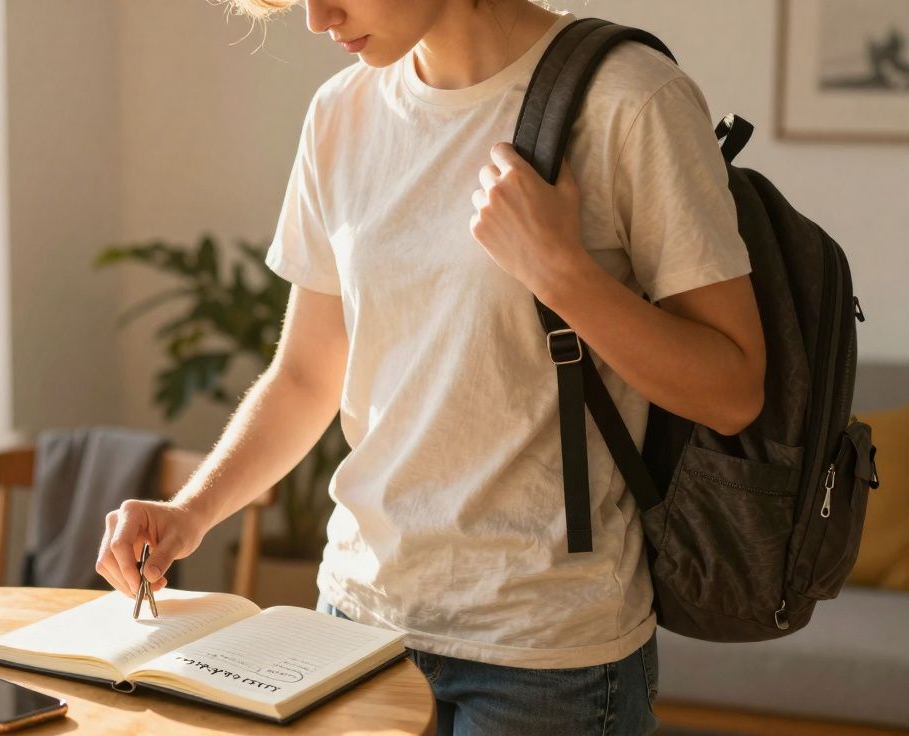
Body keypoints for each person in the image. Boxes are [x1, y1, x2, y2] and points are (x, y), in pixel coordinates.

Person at [96, 1, 766, 733]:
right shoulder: (340, 114)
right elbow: (306, 376)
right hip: (353, 626)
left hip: (545, 660)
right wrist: (191, 511)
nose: (319, 19)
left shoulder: (630, 99)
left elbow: (732, 390)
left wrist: (563, 273)